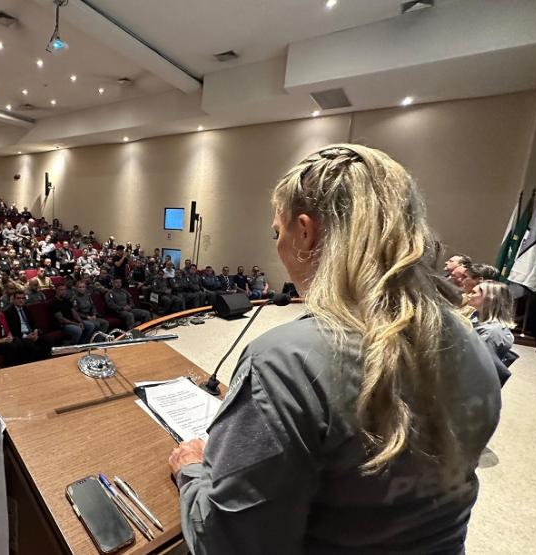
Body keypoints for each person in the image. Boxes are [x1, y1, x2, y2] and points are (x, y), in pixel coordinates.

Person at [168, 144, 502, 554]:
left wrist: (192, 470)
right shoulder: (469, 337)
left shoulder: (285, 360)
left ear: (304, 232)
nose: (278, 244)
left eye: (278, 231)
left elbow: (229, 543)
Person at [467, 280, 516, 362]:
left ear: (488, 299)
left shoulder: (491, 333)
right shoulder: (476, 318)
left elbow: (475, 362)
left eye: (473, 293)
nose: (469, 295)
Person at [3, 291, 52, 361]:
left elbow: (33, 322)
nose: (21, 300)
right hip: (20, 336)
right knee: (31, 346)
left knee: (47, 340)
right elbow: (12, 329)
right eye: (18, 298)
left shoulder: (26, 308)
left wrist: (35, 331)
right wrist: (26, 336)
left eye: (23, 298)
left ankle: (43, 362)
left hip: (30, 333)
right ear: (13, 300)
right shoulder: (8, 312)